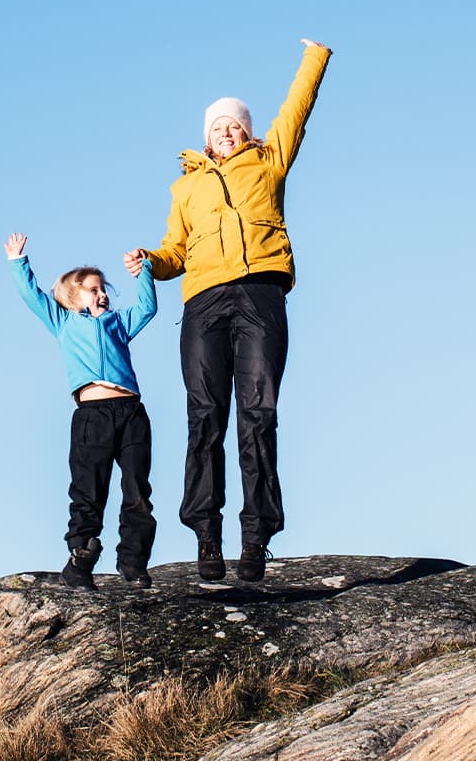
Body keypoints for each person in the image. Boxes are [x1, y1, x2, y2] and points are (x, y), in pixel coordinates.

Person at [124, 38, 330, 584]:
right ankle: (206, 537)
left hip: (260, 292)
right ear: (206, 138)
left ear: (247, 131)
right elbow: (176, 251)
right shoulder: (185, 187)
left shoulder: (268, 162)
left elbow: (296, 110)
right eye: (217, 127)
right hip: (204, 302)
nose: (225, 131)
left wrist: (314, 58)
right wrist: (150, 259)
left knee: (258, 414)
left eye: (234, 125)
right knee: (205, 415)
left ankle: (256, 538)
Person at [5, 231, 159, 589]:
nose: (102, 294)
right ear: (74, 296)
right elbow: (31, 295)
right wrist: (18, 262)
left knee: (138, 489)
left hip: (131, 412)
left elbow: (148, 308)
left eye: (104, 288)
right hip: (92, 417)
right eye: (94, 289)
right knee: (89, 490)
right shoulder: (64, 323)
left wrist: (145, 273)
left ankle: (134, 562)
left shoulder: (118, 324)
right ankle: (80, 560)